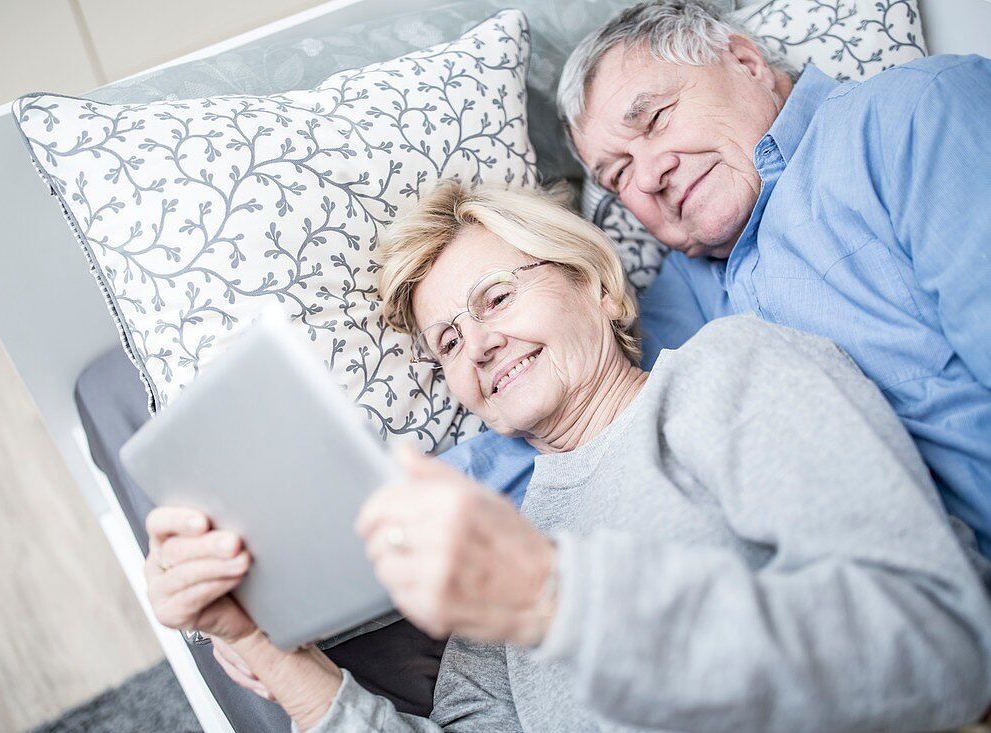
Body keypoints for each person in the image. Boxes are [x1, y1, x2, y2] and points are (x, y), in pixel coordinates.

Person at [144, 181, 991, 732]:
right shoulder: (498, 541)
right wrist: (269, 654)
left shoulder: (729, 373)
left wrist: (553, 596)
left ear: (593, 281)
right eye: (447, 340)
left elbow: (949, 651)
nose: (477, 343)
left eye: (498, 296)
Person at [546, 0, 991, 556]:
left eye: (656, 118)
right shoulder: (683, 288)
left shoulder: (912, 113)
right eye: (619, 173)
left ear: (745, 60)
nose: (651, 173)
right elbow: (574, 417)